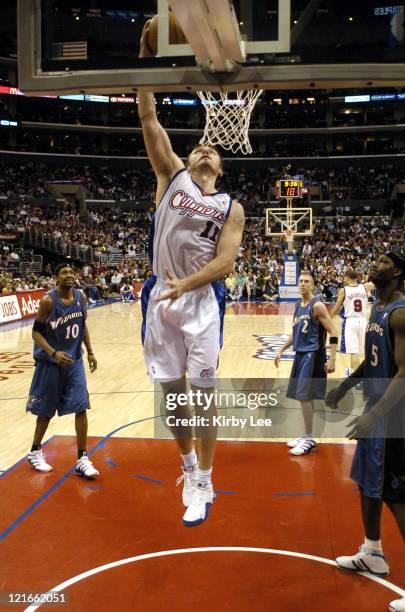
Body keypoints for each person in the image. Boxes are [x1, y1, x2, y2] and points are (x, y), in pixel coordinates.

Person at [138, 22, 244, 526]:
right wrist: (144, 58)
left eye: (210, 149)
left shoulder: (230, 205)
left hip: (200, 303)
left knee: (203, 396)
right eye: (198, 144)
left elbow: (226, 263)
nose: (203, 147)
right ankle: (186, 465)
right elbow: (148, 114)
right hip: (162, 298)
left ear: (220, 164)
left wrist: (189, 283)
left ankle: (204, 479)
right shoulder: (170, 173)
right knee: (171, 393)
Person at [326, 252, 405, 612]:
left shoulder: (401, 314)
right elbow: (373, 362)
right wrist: (346, 386)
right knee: (365, 482)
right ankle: (372, 552)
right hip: (374, 410)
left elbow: (403, 375)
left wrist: (376, 418)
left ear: (399, 273)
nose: (376, 264)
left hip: (392, 417)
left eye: (385, 263)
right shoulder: (377, 307)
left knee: (395, 496)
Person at [26, 263, 99, 479]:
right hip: (51, 363)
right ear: (56, 278)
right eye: (63, 273)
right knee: (45, 411)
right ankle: (35, 450)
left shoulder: (80, 297)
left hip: (74, 361)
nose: (68, 275)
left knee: (81, 406)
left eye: (70, 272)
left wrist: (91, 351)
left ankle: (82, 458)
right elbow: (36, 334)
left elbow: (82, 325)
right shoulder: (48, 301)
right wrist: (52, 353)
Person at [274, 272, 338, 455]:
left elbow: (333, 331)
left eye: (307, 281)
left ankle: (309, 439)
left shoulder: (317, 306)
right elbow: (295, 333)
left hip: (313, 354)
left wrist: (332, 358)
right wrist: (281, 349)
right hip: (300, 354)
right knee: (302, 396)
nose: (303, 284)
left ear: (313, 285)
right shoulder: (298, 305)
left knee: (304, 396)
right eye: (301, 281)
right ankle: (305, 434)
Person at [330, 268, 373, 376]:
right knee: (365, 352)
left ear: (347, 277)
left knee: (354, 352)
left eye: (344, 277)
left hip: (351, 322)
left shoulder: (343, 290)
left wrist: (327, 318)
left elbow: (335, 309)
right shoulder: (365, 286)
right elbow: (376, 283)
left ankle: (355, 379)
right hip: (363, 321)